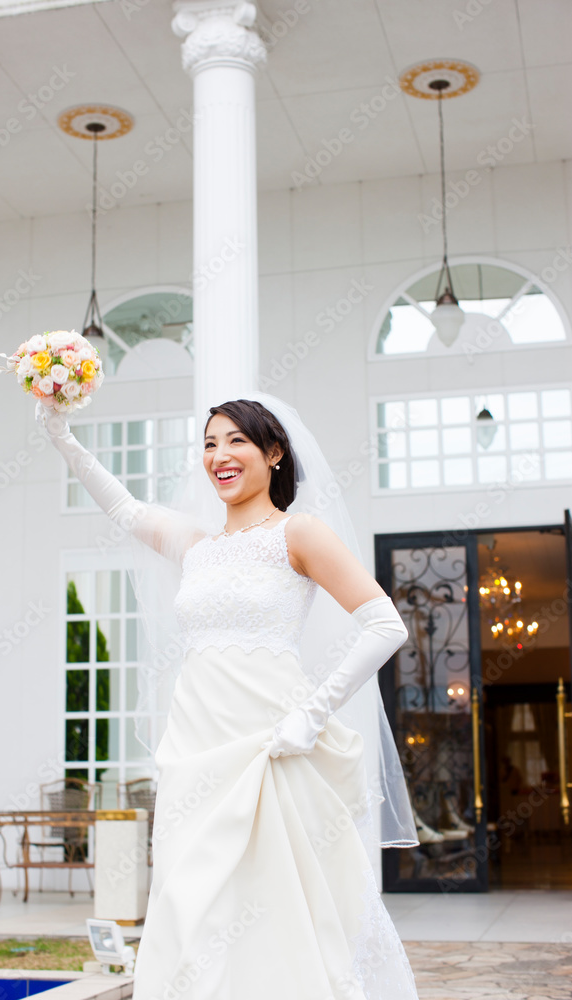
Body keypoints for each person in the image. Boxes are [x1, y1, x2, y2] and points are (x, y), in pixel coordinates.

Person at [37, 393, 419, 1000]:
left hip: (271, 745)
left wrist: (312, 714)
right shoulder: (197, 546)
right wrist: (62, 435)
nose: (220, 455)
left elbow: (384, 624)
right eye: (210, 444)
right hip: (195, 750)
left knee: (277, 900)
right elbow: (125, 508)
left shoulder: (299, 533)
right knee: (190, 901)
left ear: (274, 453)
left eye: (236, 440)